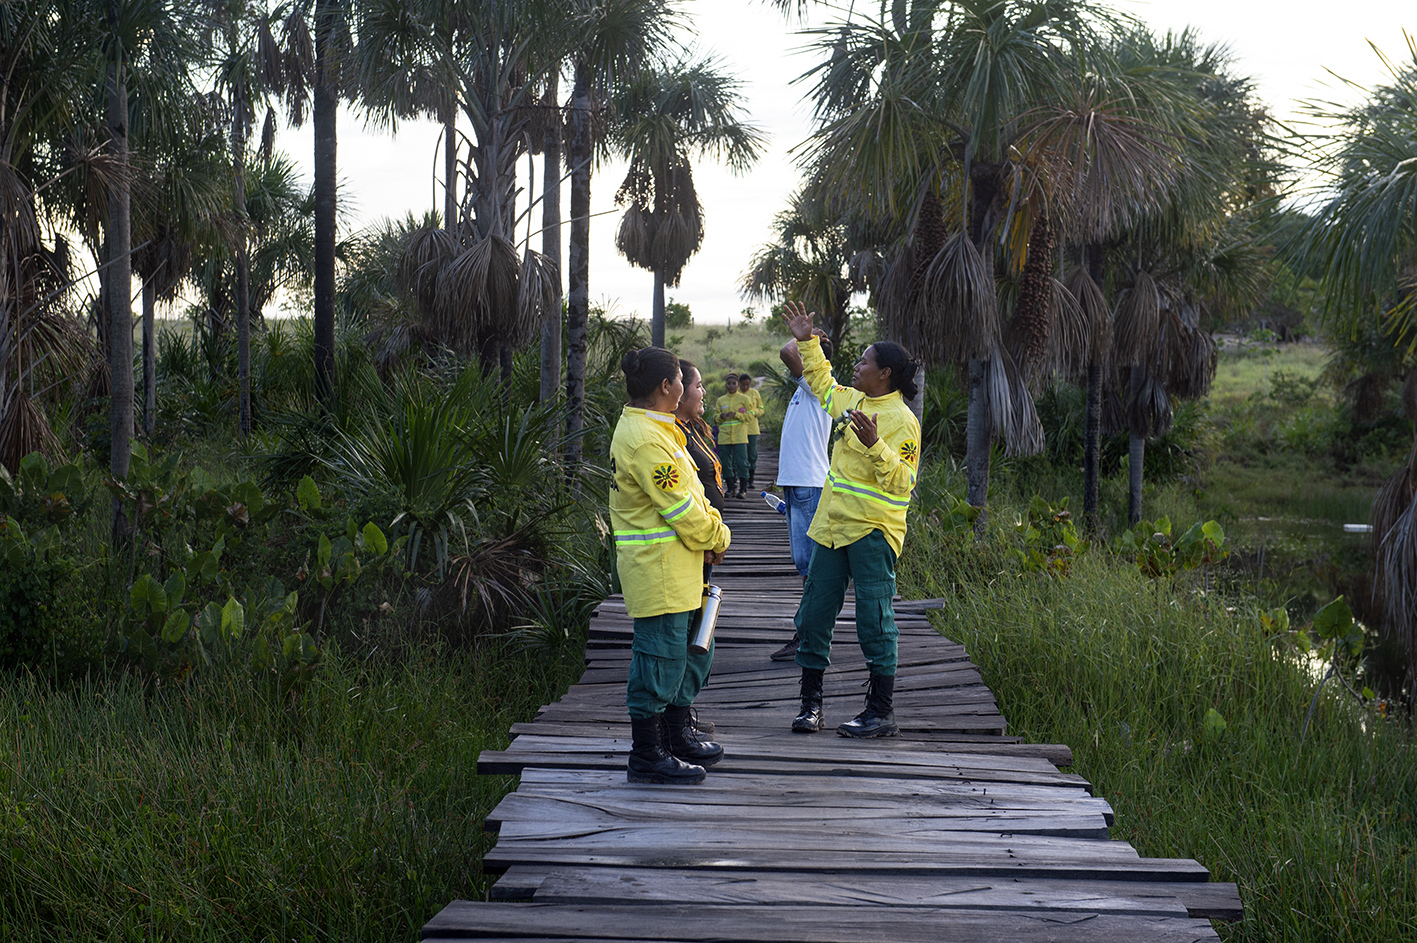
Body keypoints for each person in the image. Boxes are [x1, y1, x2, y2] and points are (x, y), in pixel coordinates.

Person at [779, 301, 922, 739]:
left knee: (874, 620)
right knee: (813, 615)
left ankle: (880, 712)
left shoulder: (902, 421)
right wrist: (806, 341)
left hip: (873, 533)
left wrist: (877, 445)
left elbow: (903, 482)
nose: (857, 366)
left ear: (886, 374)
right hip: (831, 526)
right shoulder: (852, 400)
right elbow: (821, 381)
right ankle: (811, 706)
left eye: (864, 362)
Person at [610, 347, 730, 783]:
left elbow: (695, 493)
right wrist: (718, 537)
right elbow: (681, 509)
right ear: (666, 386)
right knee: (658, 659)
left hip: (682, 568)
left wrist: (712, 532)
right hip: (659, 570)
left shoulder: (661, 429)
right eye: (681, 378)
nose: (685, 385)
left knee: (689, 653)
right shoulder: (645, 439)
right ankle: (647, 754)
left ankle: (675, 737)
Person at [768, 330, 835, 662]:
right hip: (799, 484)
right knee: (805, 564)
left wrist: (806, 337)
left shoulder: (819, 386)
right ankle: (809, 632)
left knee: (811, 566)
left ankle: (809, 636)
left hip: (809, 484)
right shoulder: (805, 389)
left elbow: (786, 351)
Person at [674, 359, 726, 578]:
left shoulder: (691, 427)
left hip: (706, 538)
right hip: (694, 541)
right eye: (698, 386)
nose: (703, 392)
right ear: (679, 393)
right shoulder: (674, 435)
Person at [715, 373, 751, 498]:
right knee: (725, 463)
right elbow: (715, 419)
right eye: (729, 383)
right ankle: (730, 488)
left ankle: (743, 489)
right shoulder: (721, 400)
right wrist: (721, 416)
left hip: (740, 436)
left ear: (738, 385)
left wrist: (737, 415)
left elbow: (750, 416)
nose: (731, 386)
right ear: (725, 385)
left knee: (742, 462)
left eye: (734, 383)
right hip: (724, 437)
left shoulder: (744, 399)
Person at [738, 372, 765, 487]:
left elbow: (761, 408)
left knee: (752, 454)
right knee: (741, 455)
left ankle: (751, 479)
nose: (745, 387)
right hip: (739, 429)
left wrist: (755, 412)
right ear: (739, 384)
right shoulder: (736, 394)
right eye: (743, 385)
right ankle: (742, 478)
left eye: (747, 385)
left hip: (752, 429)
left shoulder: (755, 393)